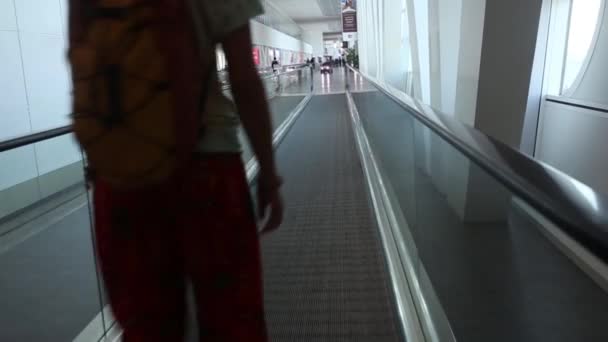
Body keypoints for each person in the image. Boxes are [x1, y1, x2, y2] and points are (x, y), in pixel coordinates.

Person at [69, 0, 283, 341]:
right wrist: (269, 177)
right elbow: (244, 78)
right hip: (208, 169)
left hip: (122, 181)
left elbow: (83, 66)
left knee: (146, 327)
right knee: (233, 318)